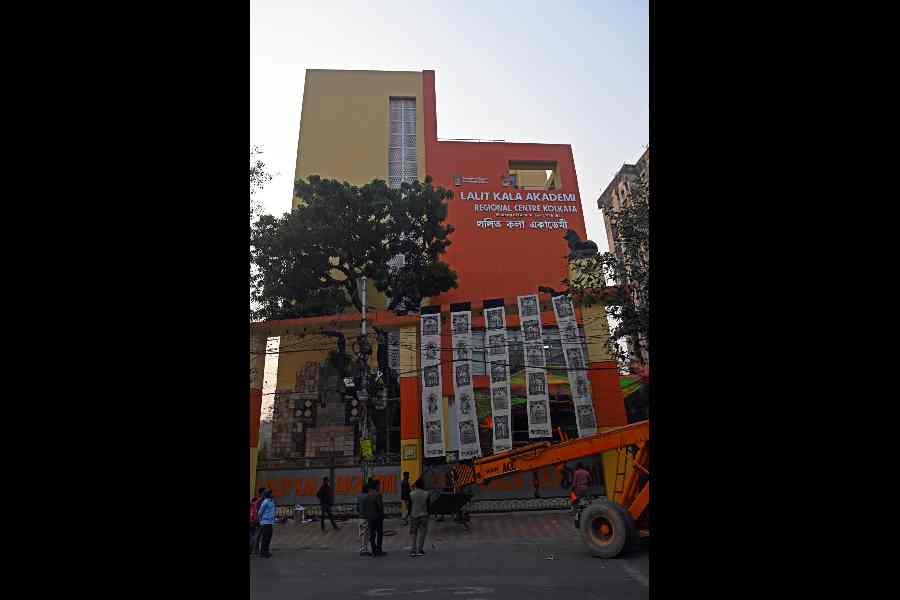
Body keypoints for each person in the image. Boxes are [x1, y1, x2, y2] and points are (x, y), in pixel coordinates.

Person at [361, 478, 385, 556]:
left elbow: (366, 507)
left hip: (370, 517)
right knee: (379, 533)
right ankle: (379, 550)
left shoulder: (368, 495)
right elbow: (380, 506)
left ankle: (374, 550)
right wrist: (382, 514)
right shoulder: (378, 494)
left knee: (372, 534)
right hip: (377, 517)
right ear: (376, 486)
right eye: (379, 485)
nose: (380, 486)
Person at [408, 478, 430, 557]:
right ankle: (420, 550)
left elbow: (409, 506)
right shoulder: (426, 493)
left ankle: (413, 551)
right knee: (422, 533)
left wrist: (409, 514)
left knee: (414, 533)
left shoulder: (411, 494)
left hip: (414, 515)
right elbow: (428, 506)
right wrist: (428, 514)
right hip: (424, 515)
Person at [257, 489, 276, 558]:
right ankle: (263, 553)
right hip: (265, 523)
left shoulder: (272, 501)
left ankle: (266, 551)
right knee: (265, 538)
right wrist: (260, 520)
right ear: (267, 495)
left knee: (268, 538)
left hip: (271, 522)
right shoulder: (265, 502)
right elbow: (260, 512)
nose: (272, 494)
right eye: (270, 493)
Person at [357, 482, 371, 556]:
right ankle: (364, 550)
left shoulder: (359, 496)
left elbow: (357, 507)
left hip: (360, 517)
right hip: (366, 517)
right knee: (366, 534)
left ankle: (362, 548)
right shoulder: (368, 496)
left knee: (361, 533)